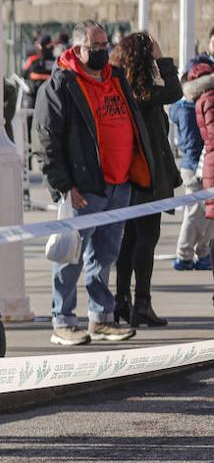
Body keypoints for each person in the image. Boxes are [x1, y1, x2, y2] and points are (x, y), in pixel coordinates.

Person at [35, 20, 157, 347]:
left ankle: (101, 319)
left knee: (104, 255)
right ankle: (63, 320)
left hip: (119, 184)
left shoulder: (116, 78)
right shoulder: (61, 85)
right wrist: (63, 185)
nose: (103, 51)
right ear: (78, 49)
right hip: (83, 187)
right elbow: (47, 140)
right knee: (70, 255)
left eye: (106, 45)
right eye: (95, 46)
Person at [109, 32, 182, 326]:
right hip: (146, 176)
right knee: (146, 240)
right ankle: (142, 303)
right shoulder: (144, 92)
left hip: (126, 175)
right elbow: (176, 91)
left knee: (128, 241)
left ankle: (122, 301)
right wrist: (163, 58)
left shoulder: (119, 88)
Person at [175, 41, 214, 270]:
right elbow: (193, 141)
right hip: (196, 164)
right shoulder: (192, 106)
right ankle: (185, 254)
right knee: (194, 213)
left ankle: (203, 252)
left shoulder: (195, 103)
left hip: (202, 163)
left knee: (207, 214)